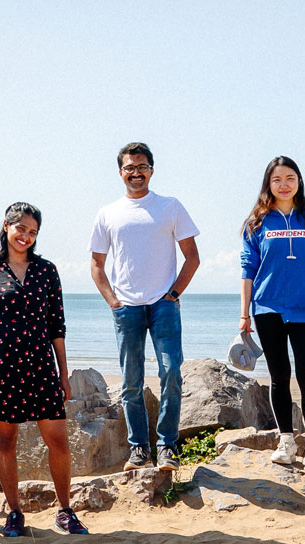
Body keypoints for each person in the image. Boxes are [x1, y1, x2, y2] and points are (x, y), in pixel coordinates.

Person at [0, 202, 91, 537]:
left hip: (40, 369)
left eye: (33, 232)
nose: (26, 236)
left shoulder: (47, 271)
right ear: (6, 226)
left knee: (59, 441)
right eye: (21, 228)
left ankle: (65, 511)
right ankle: (15, 513)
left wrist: (63, 375)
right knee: (6, 441)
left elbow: (56, 327)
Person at [90, 142, 199, 471]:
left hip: (164, 304)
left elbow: (192, 257)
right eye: (129, 168)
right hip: (127, 308)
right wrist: (113, 301)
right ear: (120, 172)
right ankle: (139, 450)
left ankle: (167, 446)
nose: (136, 173)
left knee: (172, 374)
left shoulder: (170, 207)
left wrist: (175, 293)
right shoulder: (108, 213)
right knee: (131, 382)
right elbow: (96, 265)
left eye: (142, 166)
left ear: (152, 169)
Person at [237, 156, 305, 474]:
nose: (284, 184)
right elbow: (247, 270)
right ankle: (286, 442)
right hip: (267, 308)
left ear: (298, 182)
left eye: (290, 178)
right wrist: (244, 314)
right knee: (279, 377)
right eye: (277, 179)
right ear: (269, 184)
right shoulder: (257, 223)